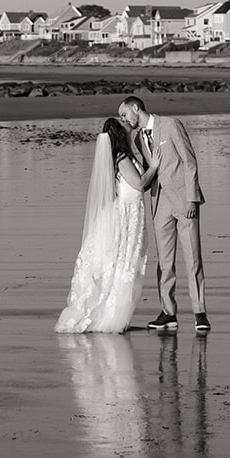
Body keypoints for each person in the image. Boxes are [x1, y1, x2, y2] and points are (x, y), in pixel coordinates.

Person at [55, 116, 165, 333]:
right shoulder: (122, 158)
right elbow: (140, 183)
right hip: (126, 214)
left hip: (129, 212)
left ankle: (111, 314)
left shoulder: (122, 156)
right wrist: (154, 166)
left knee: (121, 264)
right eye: (123, 125)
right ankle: (110, 317)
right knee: (122, 264)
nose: (127, 125)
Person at [118, 95, 209, 334]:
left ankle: (200, 313)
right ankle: (168, 312)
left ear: (136, 108)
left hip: (184, 201)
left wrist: (191, 198)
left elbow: (190, 162)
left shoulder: (170, 125)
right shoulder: (138, 139)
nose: (124, 119)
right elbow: (148, 173)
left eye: (125, 114)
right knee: (164, 263)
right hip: (160, 204)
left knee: (193, 259)